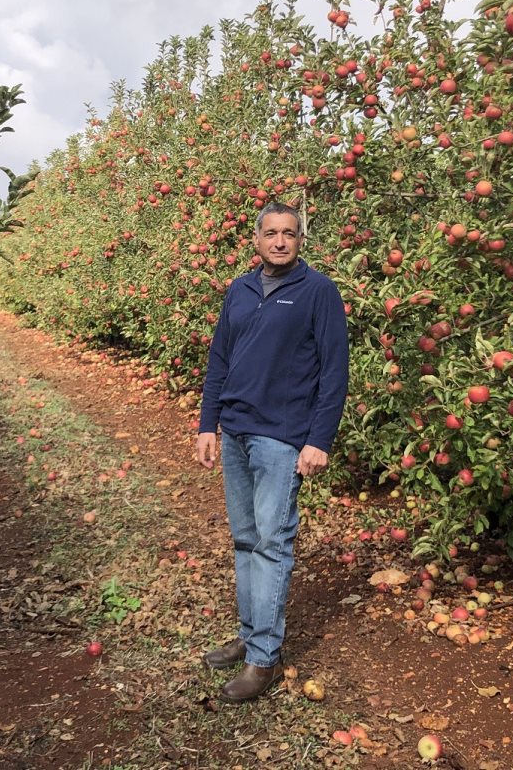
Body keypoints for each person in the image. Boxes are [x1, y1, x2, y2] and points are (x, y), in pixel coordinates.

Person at [195, 200, 349, 703]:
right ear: (256, 240)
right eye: (271, 233)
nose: (280, 241)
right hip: (235, 431)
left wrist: (318, 439)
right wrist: (208, 425)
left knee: (272, 542)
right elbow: (219, 360)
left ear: (299, 240)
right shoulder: (238, 290)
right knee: (244, 539)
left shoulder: (319, 292)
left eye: (289, 233)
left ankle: (264, 658)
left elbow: (334, 373)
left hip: (282, 436)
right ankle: (250, 632)